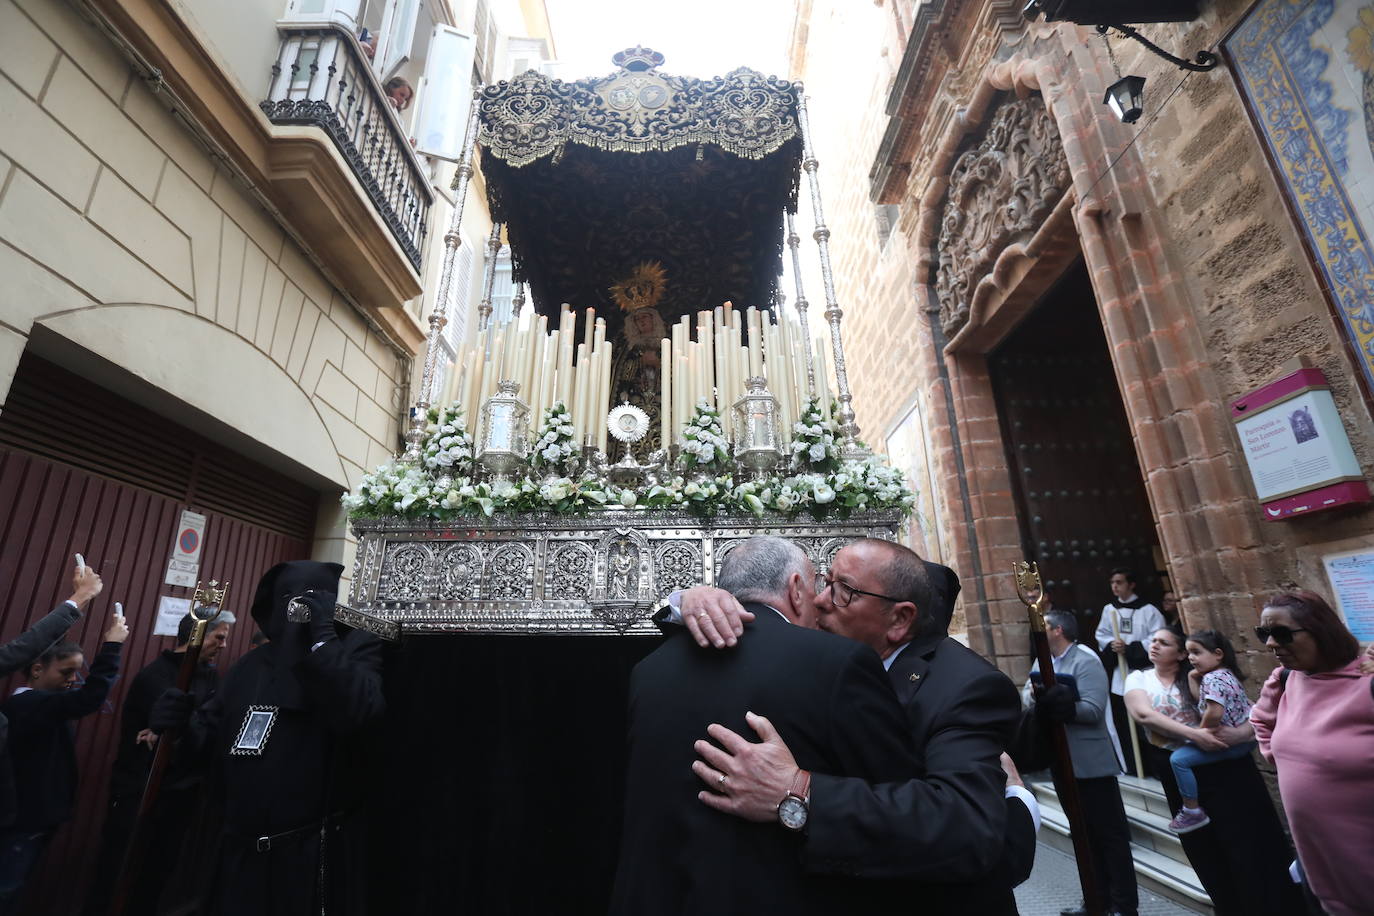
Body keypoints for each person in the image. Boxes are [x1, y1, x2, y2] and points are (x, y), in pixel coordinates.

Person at [677, 539, 1029, 914]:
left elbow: (964, 828)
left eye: (844, 592)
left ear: (899, 619)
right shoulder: (825, 664)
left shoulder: (965, 687)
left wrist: (797, 792)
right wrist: (692, 600)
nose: (819, 600)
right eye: (826, 582)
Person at [610, 536, 920, 915]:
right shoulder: (839, 662)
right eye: (817, 586)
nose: (822, 603)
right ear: (795, 589)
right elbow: (899, 801)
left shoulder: (649, 670)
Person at [148, 561, 384, 916]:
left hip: (307, 862)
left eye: (309, 598)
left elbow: (356, 710)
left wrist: (321, 639)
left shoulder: (353, 653)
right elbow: (207, 745)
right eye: (286, 597)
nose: (295, 608)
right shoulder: (249, 666)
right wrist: (180, 727)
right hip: (236, 858)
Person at [1126, 626, 1299, 915]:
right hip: (1182, 770)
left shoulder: (1206, 676)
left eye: (1164, 643)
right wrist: (1197, 735)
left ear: (1181, 653)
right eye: (1153, 641)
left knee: (1250, 842)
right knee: (1206, 849)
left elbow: (1247, 711)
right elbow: (1144, 714)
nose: (1154, 646)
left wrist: (1242, 734)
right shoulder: (1139, 678)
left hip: (1228, 768)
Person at [84, 610, 236, 916]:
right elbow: (177, 736)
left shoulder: (211, 678)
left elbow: (206, 733)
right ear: (196, 636)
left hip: (181, 796)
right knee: (119, 873)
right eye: (218, 637)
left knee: (156, 876)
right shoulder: (157, 676)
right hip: (139, 793)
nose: (223, 645)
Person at [1250, 590, 1374, 916]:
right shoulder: (1286, 679)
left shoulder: (1367, 683)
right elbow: (1260, 721)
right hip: (1318, 869)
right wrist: (1290, 763)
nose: (1271, 644)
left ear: (1320, 630)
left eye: (1282, 633)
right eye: (1264, 633)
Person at [0, 612, 129, 914]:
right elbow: (89, 698)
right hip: (23, 824)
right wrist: (111, 646)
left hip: (32, 822)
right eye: (66, 671)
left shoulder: (42, 707)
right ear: (35, 669)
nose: (73, 679)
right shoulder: (27, 706)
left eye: (76, 672)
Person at [1022, 610, 1137, 916]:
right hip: (1062, 762)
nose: (1038, 631)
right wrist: (1041, 701)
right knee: (1082, 835)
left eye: (1043, 626)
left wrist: (1063, 705)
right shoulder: (1042, 661)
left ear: (1058, 630)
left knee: (1110, 837)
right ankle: (1095, 901)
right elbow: (1026, 697)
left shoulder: (1085, 660)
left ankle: (1124, 906)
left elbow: (1093, 709)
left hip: (1091, 764)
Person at [0, 563, 103, 827]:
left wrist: (78, 602)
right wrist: (79, 599)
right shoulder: (28, 704)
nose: (71, 680)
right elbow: (19, 651)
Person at [1166, 630, 1254, 834]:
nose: (1191, 658)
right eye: (1189, 653)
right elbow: (1203, 702)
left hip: (1231, 742)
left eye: (1196, 652)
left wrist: (1202, 732)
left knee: (1178, 760)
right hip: (1245, 741)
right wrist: (1191, 676)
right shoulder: (1224, 674)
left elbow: (1214, 711)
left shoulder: (1212, 679)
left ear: (1217, 654)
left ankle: (1191, 809)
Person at [1094, 568, 1164, 776]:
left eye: (1119, 582)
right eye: (1112, 582)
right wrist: (1113, 645)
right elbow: (1102, 635)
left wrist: (1131, 648)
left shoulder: (1149, 610)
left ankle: (1155, 768)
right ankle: (1133, 767)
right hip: (1120, 676)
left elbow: (1156, 637)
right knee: (1125, 725)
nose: (1115, 586)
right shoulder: (1110, 610)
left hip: (1143, 673)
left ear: (1131, 584)